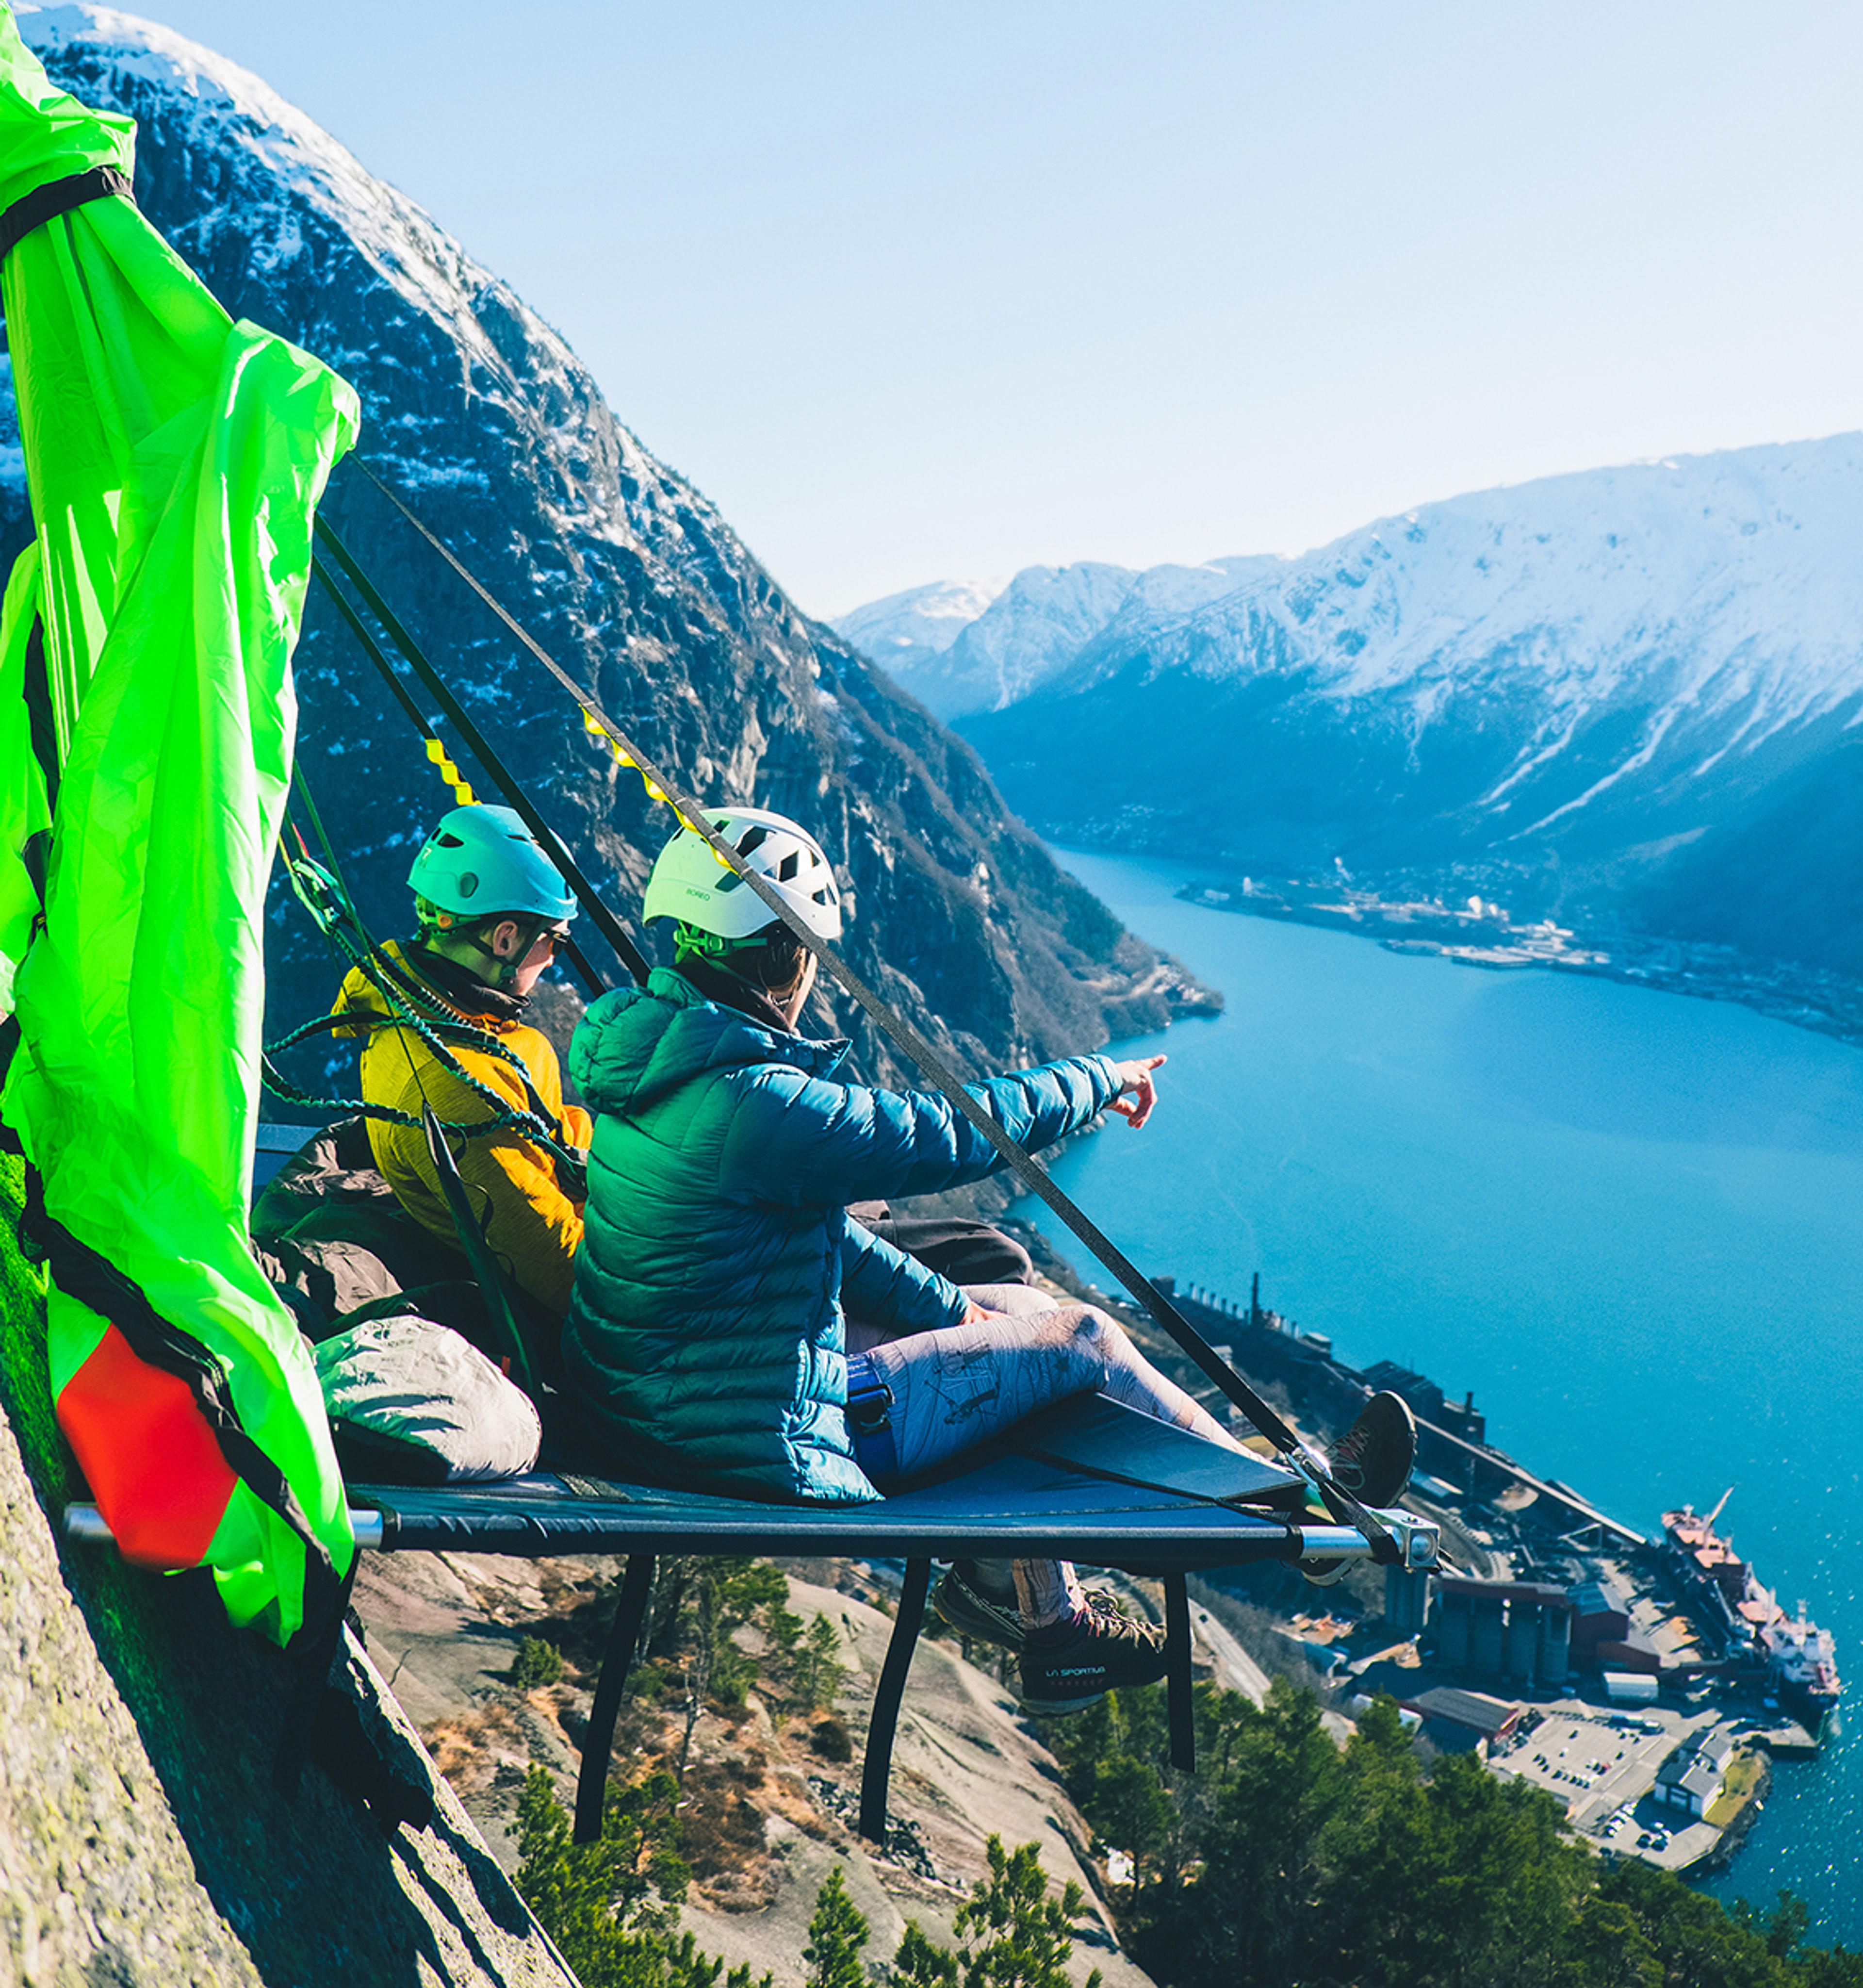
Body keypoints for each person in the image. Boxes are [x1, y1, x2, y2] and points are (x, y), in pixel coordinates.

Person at [562, 804, 1414, 1713]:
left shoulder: (652, 1060)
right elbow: (949, 1136)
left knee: (1005, 1301)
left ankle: (1058, 1627)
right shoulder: (752, 1104)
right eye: (808, 952)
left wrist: (960, 1314)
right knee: (1079, 1337)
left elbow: (825, 1242)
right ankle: (1298, 1510)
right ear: (783, 955)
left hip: (668, 1401)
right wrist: (1102, 1077)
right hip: (749, 1444)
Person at [332, 805, 592, 1323]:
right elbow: (564, 1269)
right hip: (543, 1318)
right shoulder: (454, 1088)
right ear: (504, 938)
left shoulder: (418, 1015)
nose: (554, 958)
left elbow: (551, 1137)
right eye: (554, 941)